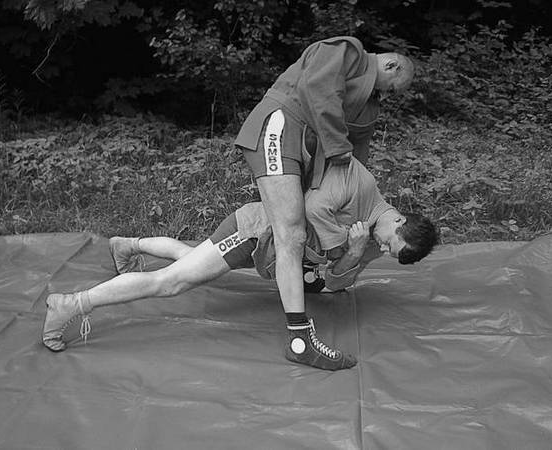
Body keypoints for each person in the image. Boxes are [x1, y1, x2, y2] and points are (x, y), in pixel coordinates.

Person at [42, 158, 438, 371]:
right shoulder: (361, 184)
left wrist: (352, 254)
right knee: (173, 282)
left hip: (277, 254)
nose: (381, 249)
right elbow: (311, 208)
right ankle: (72, 303)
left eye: (388, 254)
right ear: (399, 221)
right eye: (389, 244)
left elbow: (334, 284)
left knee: (189, 261)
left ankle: (129, 244)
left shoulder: (371, 242)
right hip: (255, 230)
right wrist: (341, 245)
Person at [233, 36, 415, 370]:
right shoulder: (348, 52)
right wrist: (338, 151)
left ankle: (134, 245)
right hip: (281, 126)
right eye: (392, 88)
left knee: (196, 267)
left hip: (305, 154)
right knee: (290, 235)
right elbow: (318, 90)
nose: (387, 96)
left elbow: (357, 154)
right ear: (390, 65)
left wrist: (349, 186)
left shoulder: (369, 105)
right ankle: (299, 337)